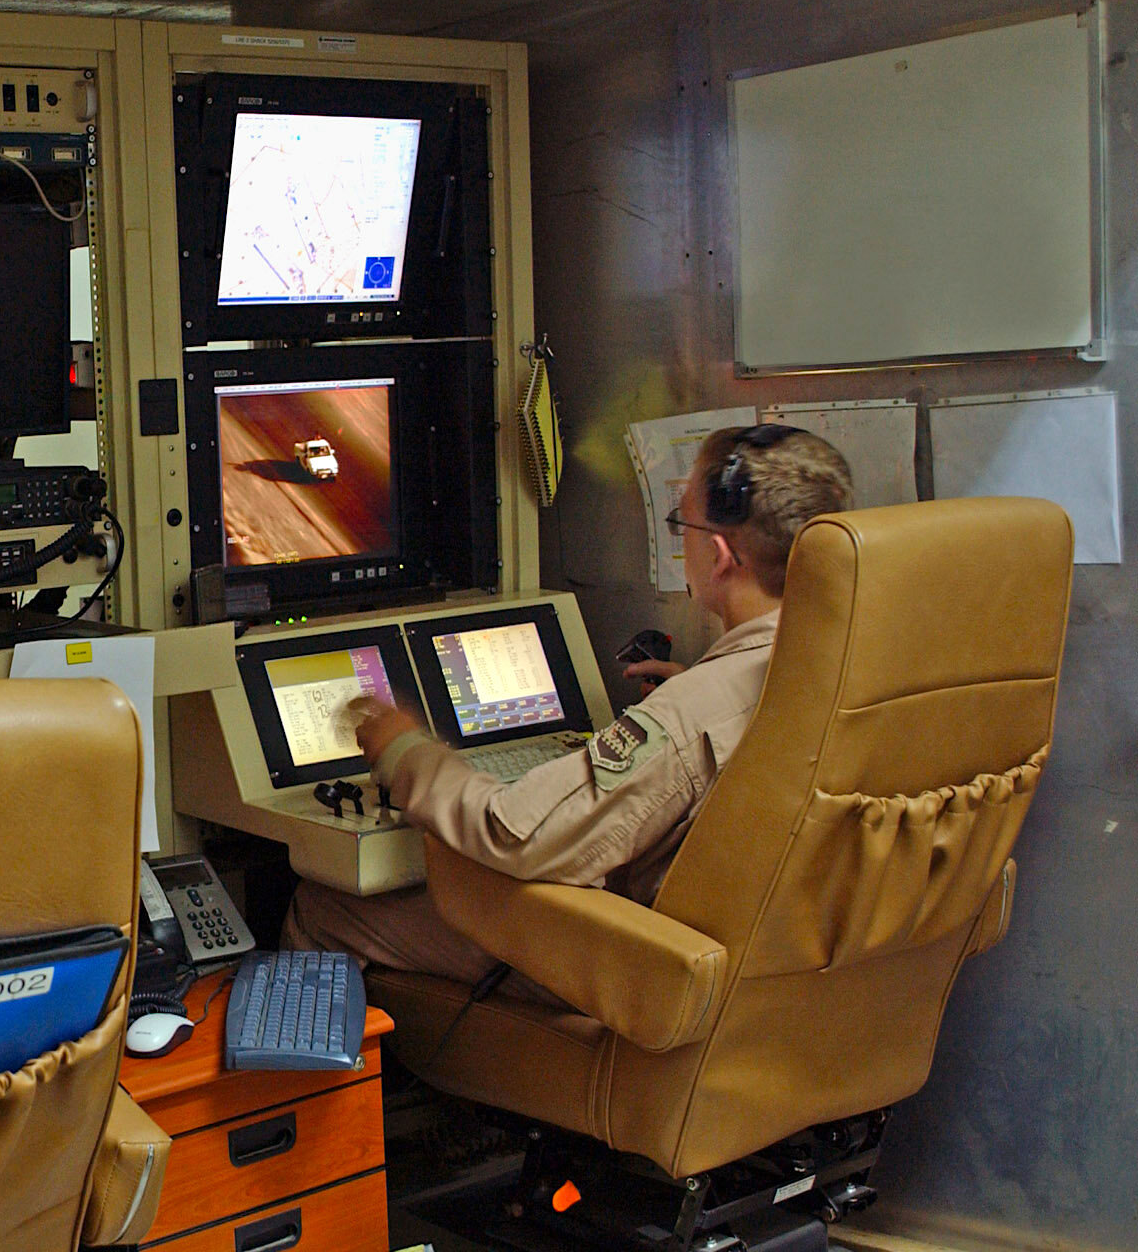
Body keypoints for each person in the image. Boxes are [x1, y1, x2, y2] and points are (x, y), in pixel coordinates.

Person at [282, 424, 853, 997]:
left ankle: (319, 1083)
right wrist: (696, 697)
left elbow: (511, 832)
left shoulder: (696, 713)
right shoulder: (848, 663)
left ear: (722, 555)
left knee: (326, 906)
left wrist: (403, 749)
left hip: (648, 973)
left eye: (683, 525)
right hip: (785, 980)